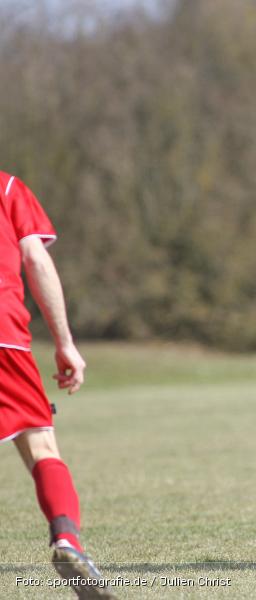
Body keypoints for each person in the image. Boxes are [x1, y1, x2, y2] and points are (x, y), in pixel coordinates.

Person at [0, 171, 116, 598]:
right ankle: (67, 540)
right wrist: (65, 343)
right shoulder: (8, 188)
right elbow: (35, 258)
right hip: (3, 335)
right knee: (41, 446)